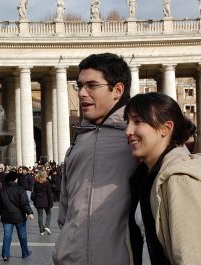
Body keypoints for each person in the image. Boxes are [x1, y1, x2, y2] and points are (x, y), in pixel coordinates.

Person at [53, 53, 138, 265]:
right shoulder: (78, 141)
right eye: (79, 85)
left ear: (117, 90)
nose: (82, 93)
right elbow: (65, 208)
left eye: (91, 85)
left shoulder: (140, 135)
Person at [125, 92, 201, 264]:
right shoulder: (148, 175)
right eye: (127, 122)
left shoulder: (178, 178)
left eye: (138, 121)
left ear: (166, 128)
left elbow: (194, 257)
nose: (128, 131)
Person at [0, 170, 34, 262]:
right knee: (22, 235)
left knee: (7, 236)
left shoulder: (2, 190)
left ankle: (5, 255)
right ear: (15, 179)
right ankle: (25, 253)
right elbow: (24, 203)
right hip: (19, 216)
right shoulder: (20, 189)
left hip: (7, 216)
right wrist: (30, 212)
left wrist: (2, 213)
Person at [31, 170, 53, 235]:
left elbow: (33, 193)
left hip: (38, 201)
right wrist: (51, 202)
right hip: (46, 200)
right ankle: (46, 226)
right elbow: (49, 193)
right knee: (49, 214)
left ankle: (41, 231)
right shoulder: (47, 183)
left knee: (40, 216)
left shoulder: (36, 183)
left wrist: (34, 201)